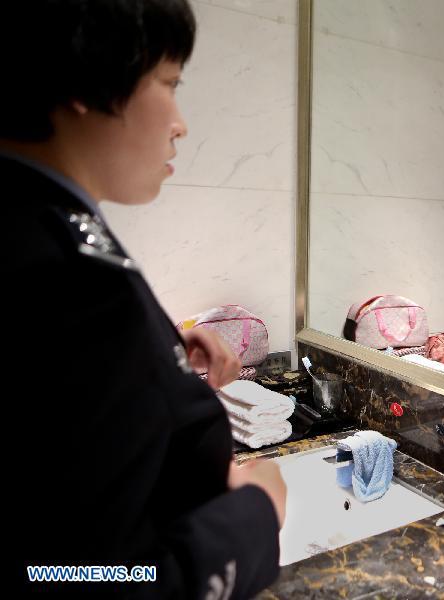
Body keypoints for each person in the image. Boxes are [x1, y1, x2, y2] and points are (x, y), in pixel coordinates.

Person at [4, 1, 286, 597]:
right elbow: (79, 578)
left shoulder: (38, 221)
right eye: (170, 84)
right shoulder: (67, 279)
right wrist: (256, 514)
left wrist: (156, 356)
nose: (180, 122)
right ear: (87, 74)